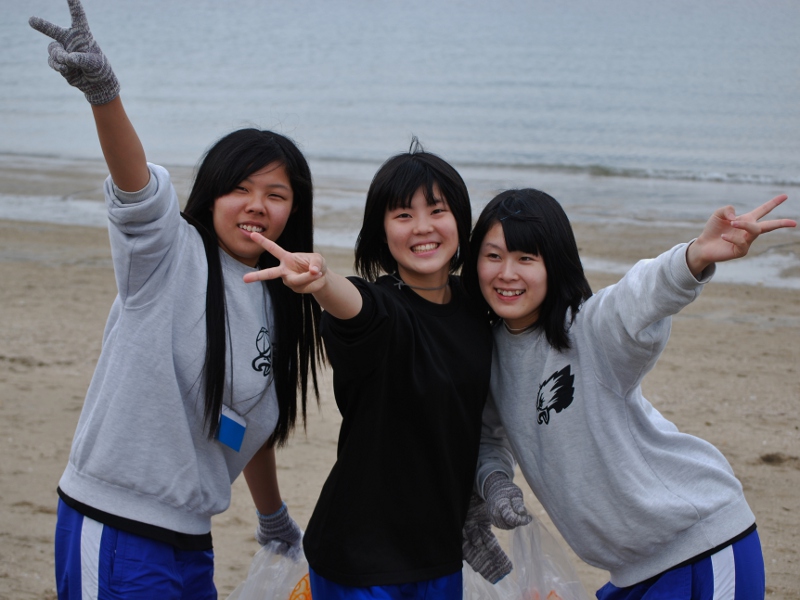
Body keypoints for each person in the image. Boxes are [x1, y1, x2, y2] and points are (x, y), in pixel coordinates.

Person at [29, 1, 324, 598]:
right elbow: (136, 189)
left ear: (294, 210)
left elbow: (244, 421)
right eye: (240, 188)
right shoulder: (169, 255)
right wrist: (104, 95)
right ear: (212, 194)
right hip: (117, 523)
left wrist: (271, 516)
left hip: (191, 540)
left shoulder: (281, 296)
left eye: (276, 194)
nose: (257, 205)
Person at [461, 189, 795, 599]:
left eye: (526, 258)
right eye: (493, 256)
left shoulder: (587, 329)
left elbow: (638, 296)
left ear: (555, 263)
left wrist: (694, 256)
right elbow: (488, 437)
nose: (506, 273)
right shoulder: (488, 353)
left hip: (700, 544)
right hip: (628, 571)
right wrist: (494, 483)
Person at [243, 145, 509, 598]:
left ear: (461, 222)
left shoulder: (477, 306)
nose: (422, 227)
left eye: (437, 211)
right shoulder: (381, 307)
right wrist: (322, 282)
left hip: (441, 552)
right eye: (403, 215)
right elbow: (356, 308)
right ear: (381, 233)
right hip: (358, 559)